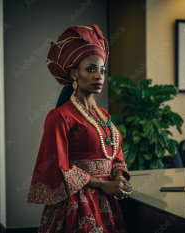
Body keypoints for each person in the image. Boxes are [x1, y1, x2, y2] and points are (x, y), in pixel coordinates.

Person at [26, 24, 132, 233]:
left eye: (102, 70)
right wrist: (103, 184)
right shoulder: (60, 116)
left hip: (108, 202)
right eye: (90, 69)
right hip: (77, 204)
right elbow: (59, 167)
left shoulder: (104, 116)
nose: (99, 76)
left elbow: (115, 155)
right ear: (74, 73)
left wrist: (119, 178)